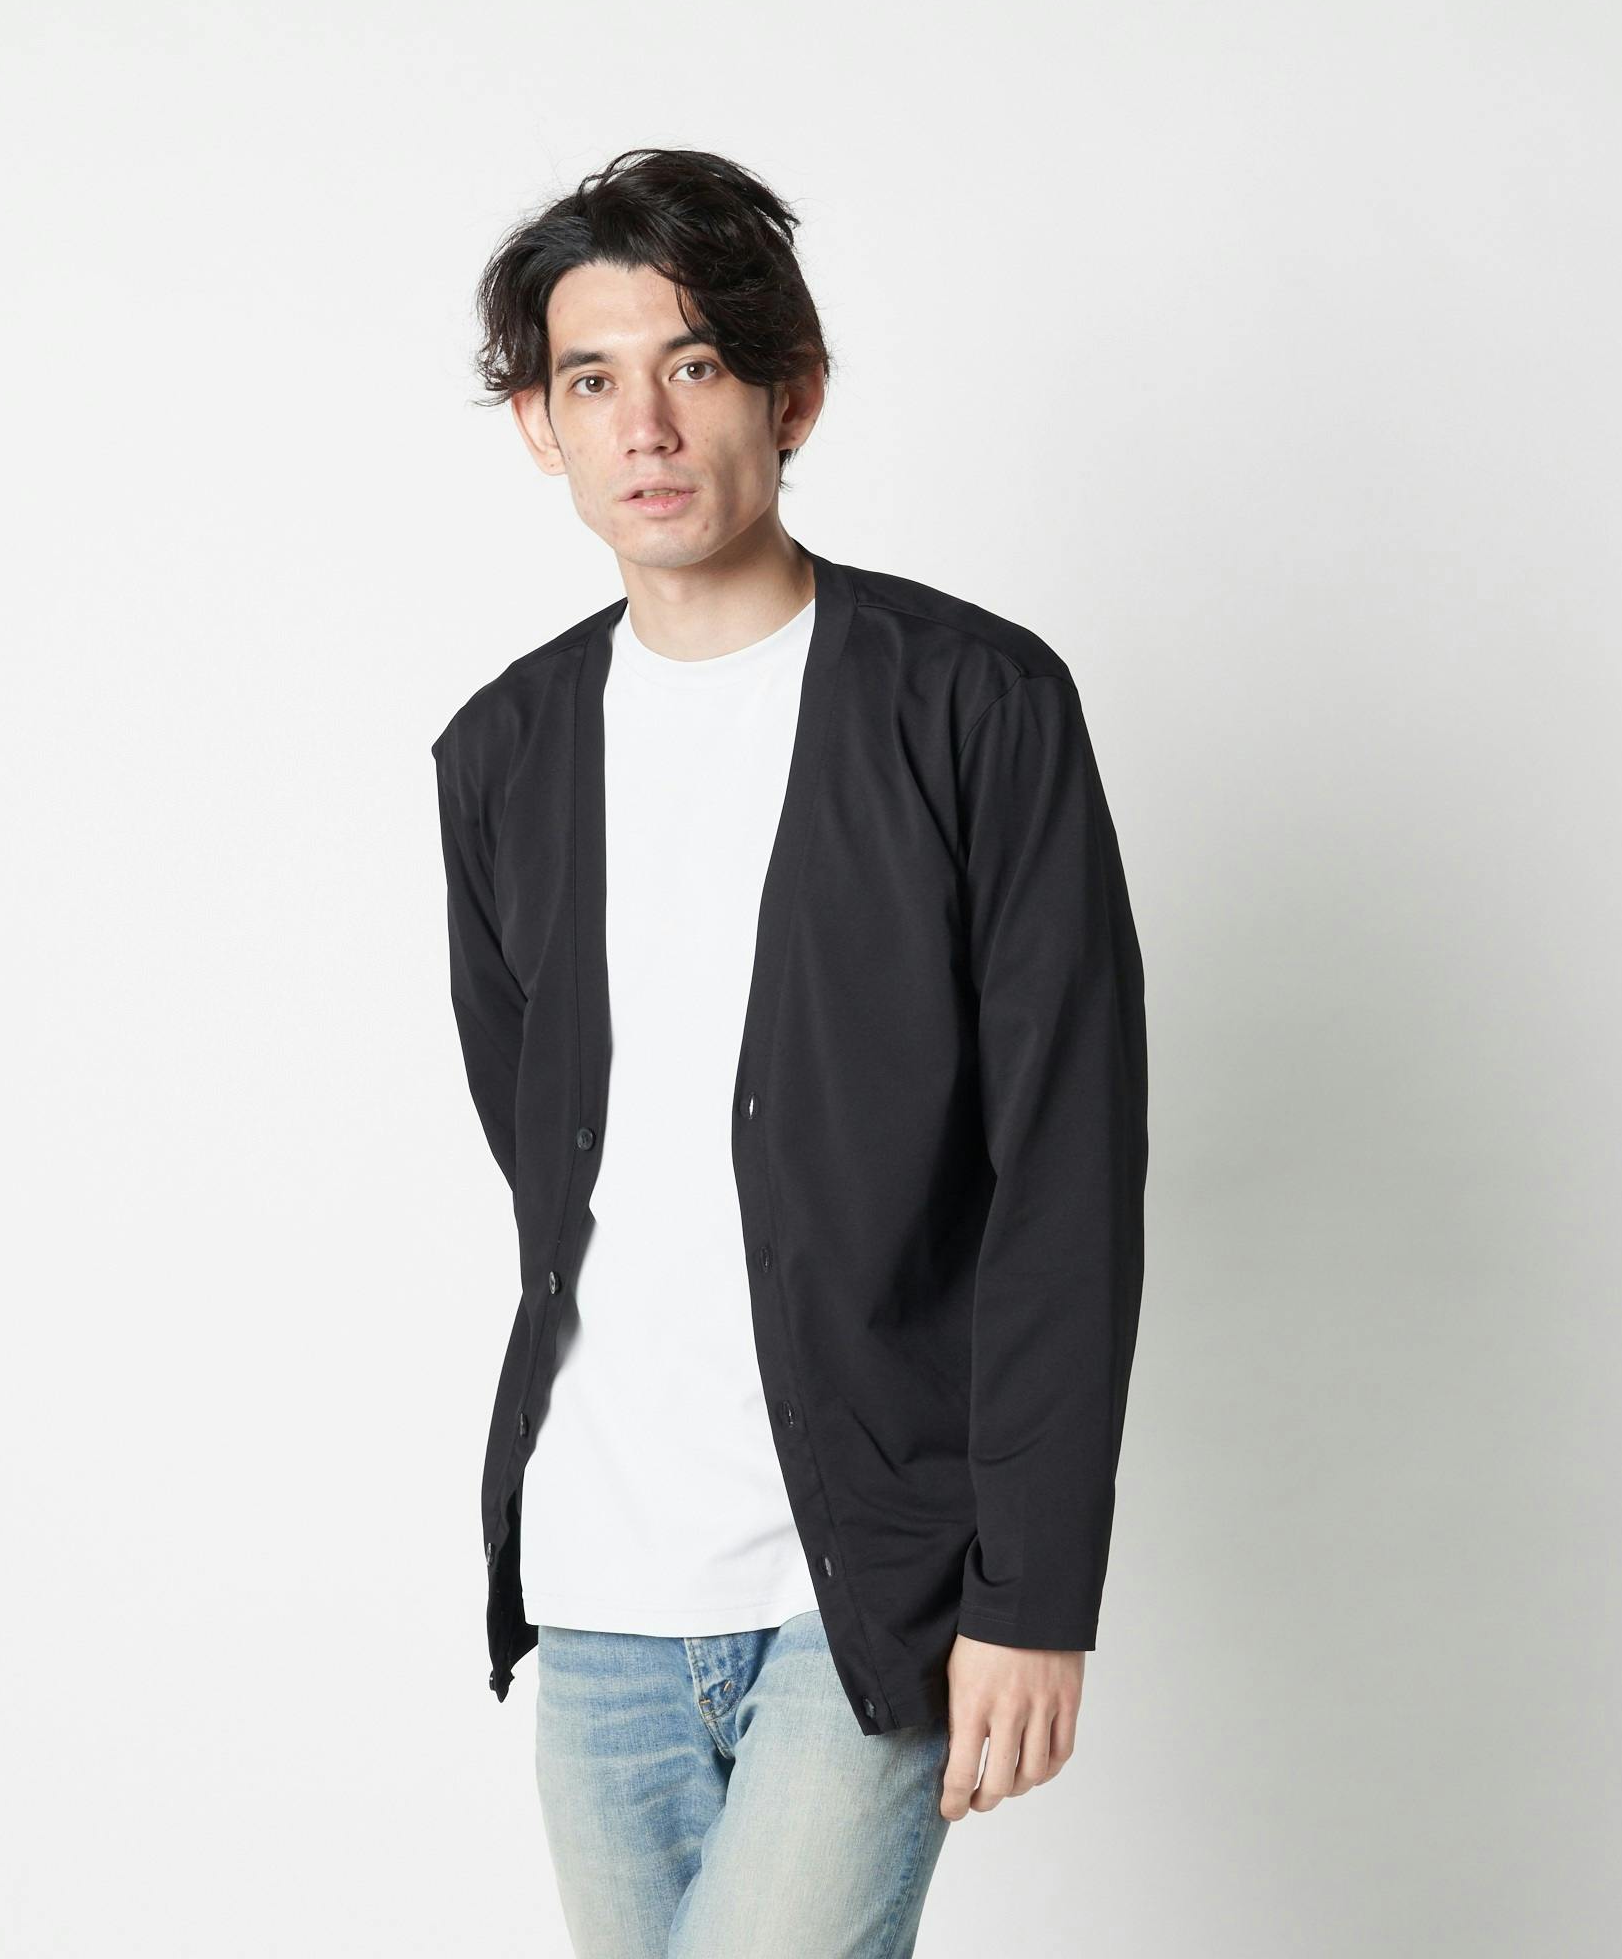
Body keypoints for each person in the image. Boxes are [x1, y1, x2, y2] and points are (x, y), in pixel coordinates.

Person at [431, 146, 1149, 1959]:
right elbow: (545, 1154)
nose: (646, 425)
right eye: (592, 378)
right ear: (540, 426)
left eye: (694, 365)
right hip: (598, 1587)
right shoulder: (501, 756)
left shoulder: (975, 705)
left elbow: (1067, 1175)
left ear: (791, 394)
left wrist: (1033, 1589)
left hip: (871, 1581)